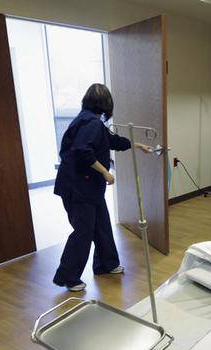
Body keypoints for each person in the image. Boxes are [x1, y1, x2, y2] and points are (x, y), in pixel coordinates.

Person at [52, 83, 152, 292]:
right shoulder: (91, 123)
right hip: (78, 188)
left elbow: (112, 140)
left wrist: (137, 145)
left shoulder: (88, 120)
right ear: (106, 105)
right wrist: (105, 172)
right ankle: (68, 277)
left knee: (102, 226)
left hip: (87, 187)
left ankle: (106, 264)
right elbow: (83, 152)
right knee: (83, 232)